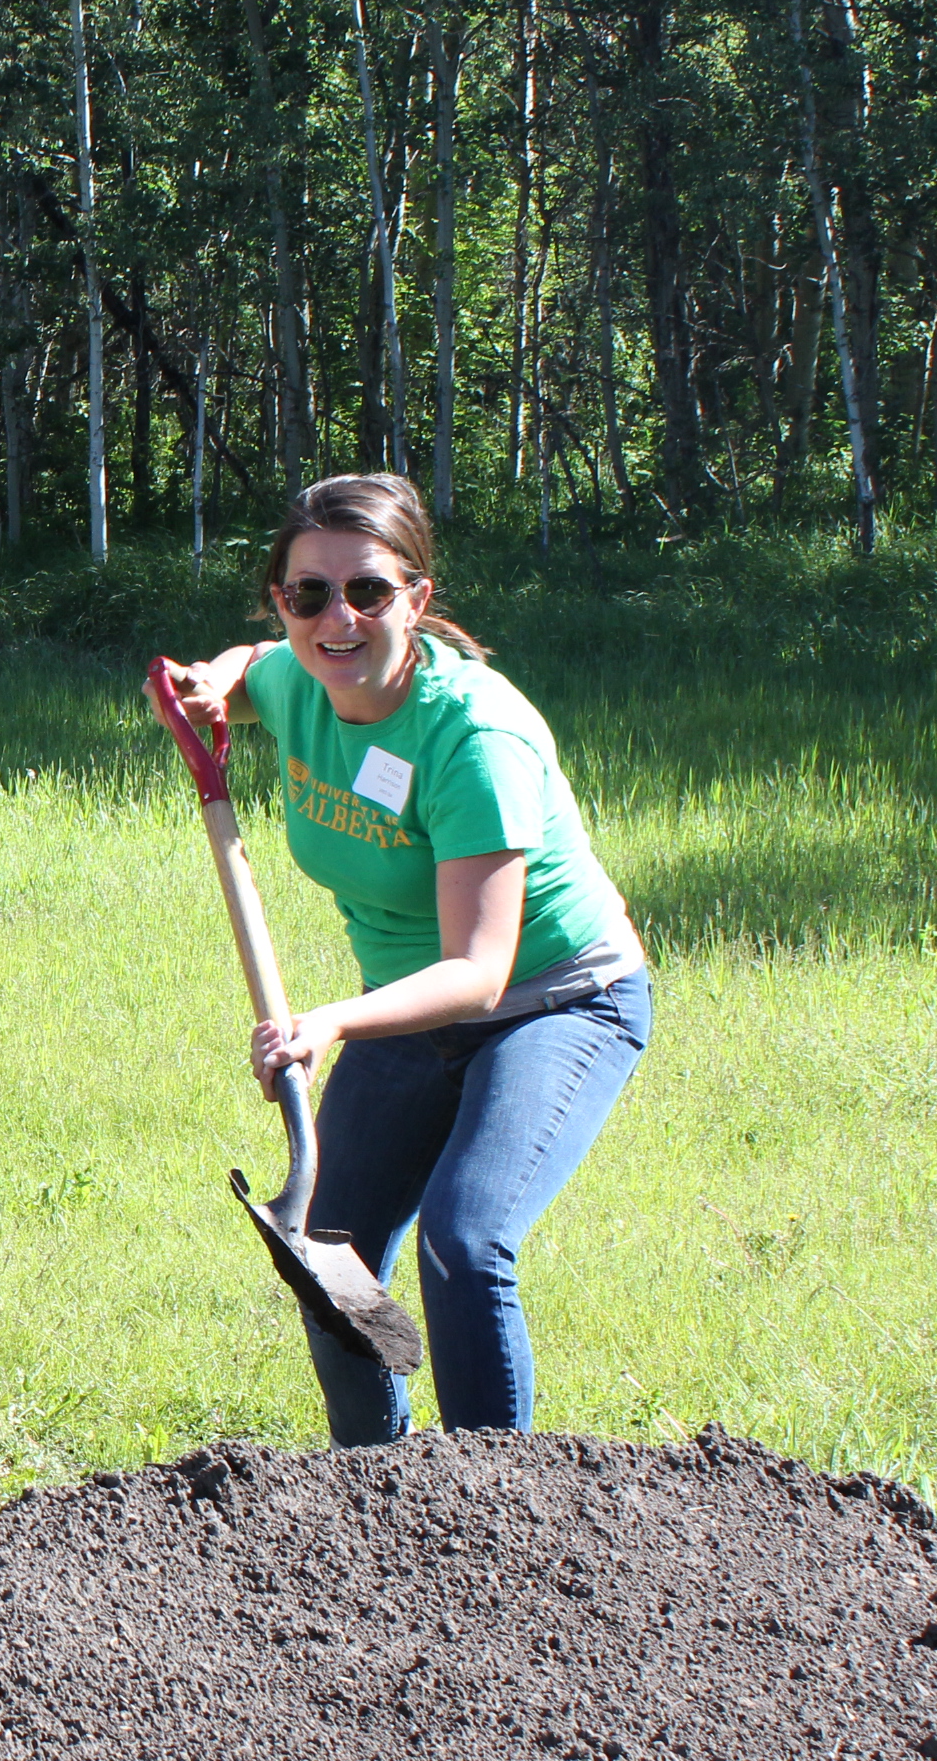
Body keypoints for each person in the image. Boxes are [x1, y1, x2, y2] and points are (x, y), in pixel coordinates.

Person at [157, 472, 651, 1447]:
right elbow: (255, 667)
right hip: (409, 1012)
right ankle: (377, 1485)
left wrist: (328, 1023)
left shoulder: (475, 736)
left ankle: (494, 1504)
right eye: (308, 595)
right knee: (329, 1249)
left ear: (415, 601)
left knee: (466, 1244)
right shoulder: (305, 675)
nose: (336, 618)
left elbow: (480, 973)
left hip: (554, 1001)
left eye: (368, 593)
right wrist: (213, 680)